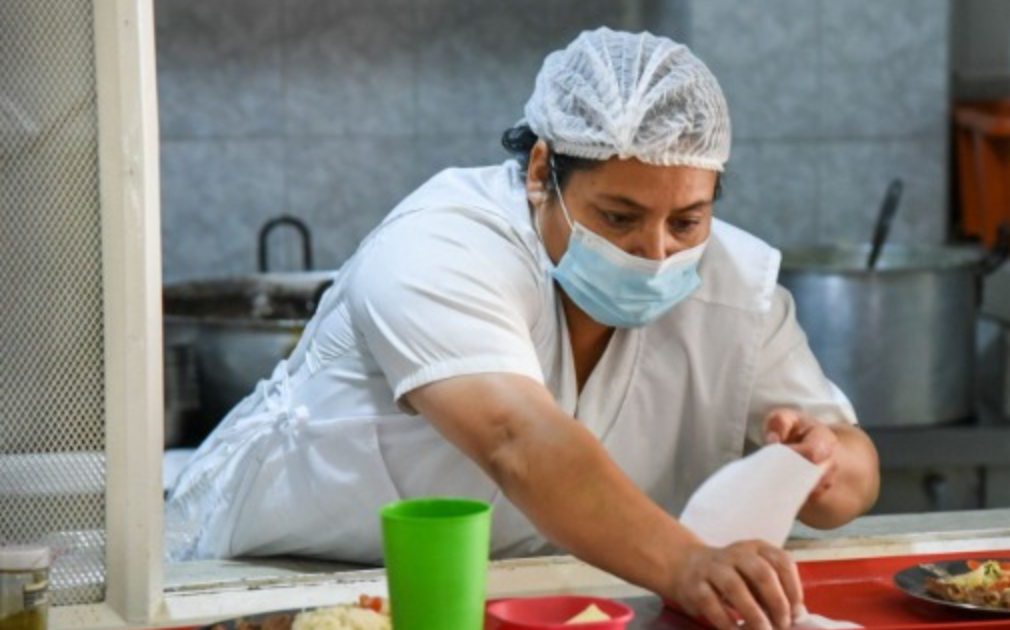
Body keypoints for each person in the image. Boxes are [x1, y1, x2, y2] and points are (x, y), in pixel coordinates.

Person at [167, 27, 879, 630]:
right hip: (268, 584)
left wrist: (823, 467)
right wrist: (687, 563)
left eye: (687, 221)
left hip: (520, 596)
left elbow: (854, 470)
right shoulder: (439, 245)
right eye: (619, 218)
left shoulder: (734, 288)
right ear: (542, 172)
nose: (656, 252)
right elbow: (520, 442)